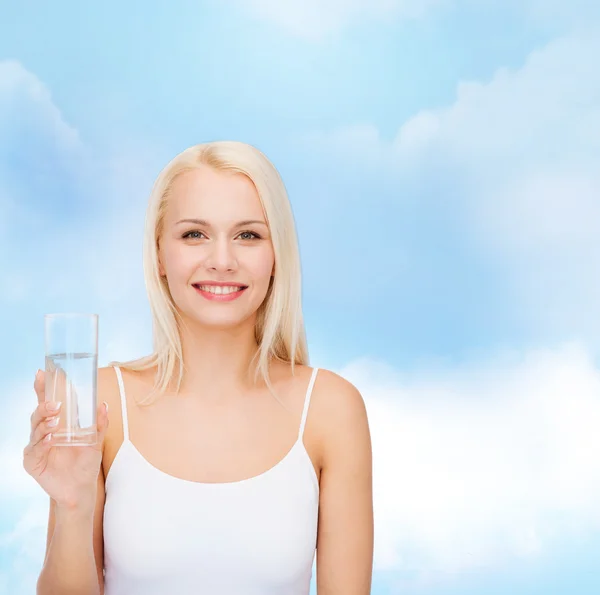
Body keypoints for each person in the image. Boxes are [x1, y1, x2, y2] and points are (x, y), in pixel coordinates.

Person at [24, 141, 374, 594]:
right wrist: (71, 505)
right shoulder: (101, 404)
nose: (222, 261)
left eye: (248, 235)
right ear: (159, 256)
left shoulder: (330, 410)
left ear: (276, 256)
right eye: (194, 234)